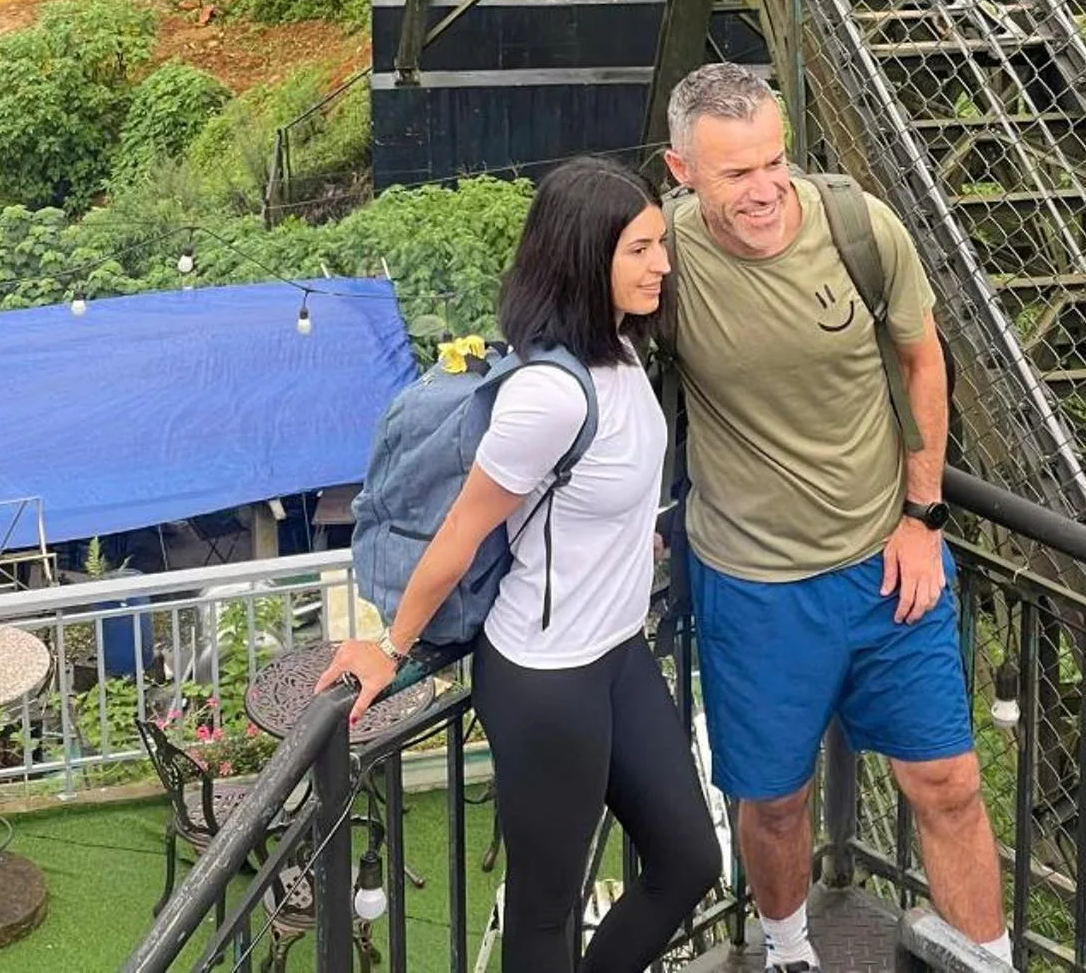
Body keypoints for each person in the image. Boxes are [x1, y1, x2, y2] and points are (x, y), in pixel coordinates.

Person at [318, 159, 720, 973]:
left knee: (688, 864)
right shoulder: (551, 395)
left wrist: (634, 536)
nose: (662, 264)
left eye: (659, 245)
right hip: (545, 678)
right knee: (543, 920)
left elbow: (600, 487)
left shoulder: (618, 349)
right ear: (584, 257)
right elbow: (461, 534)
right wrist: (388, 649)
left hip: (615, 651)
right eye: (640, 249)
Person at [661, 62, 1007, 973]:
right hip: (754, 585)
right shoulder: (665, 257)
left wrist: (924, 514)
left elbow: (925, 363)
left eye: (776, 161)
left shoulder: (859, 229)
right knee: (775, 798)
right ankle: (788, 952)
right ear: (681, 171)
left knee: (950, 782)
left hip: (885, 564)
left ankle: (988, 960)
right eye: (737, 173)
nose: (768, 189)